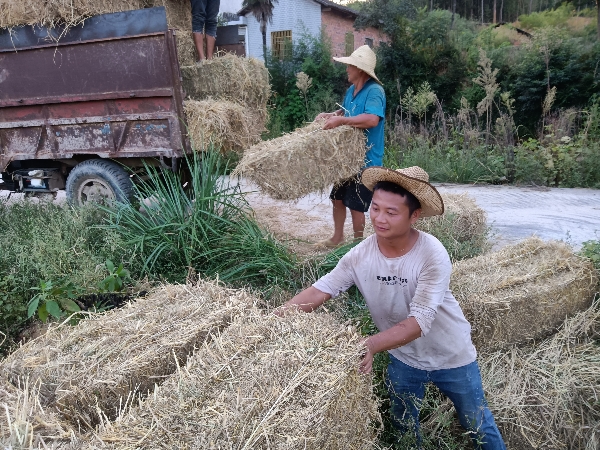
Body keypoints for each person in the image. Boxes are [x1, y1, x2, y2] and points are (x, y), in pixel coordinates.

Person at [276, 166, 507, 449]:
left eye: (391, 212)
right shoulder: (360, 255)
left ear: (415, 215)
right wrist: (276, 316)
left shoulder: (432, 254)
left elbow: (420, 321)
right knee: (404, 429)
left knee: (478, 423)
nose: (379, 219)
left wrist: (371, 344)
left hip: (451, 355)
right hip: (404, 358)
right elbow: (322, 289)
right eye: (375, 208)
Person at [315, 45, 386, 248]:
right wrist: (331, 115)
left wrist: (341, 121)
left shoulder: (374, 91)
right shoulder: (351, 91)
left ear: (360, 70)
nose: (346, 69)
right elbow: (347, 113)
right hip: (346, 158)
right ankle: (337, 238)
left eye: (350, 66)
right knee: (337, 199)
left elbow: (372, 119)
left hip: (366, 160)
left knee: (356, 206)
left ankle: (357, 246)